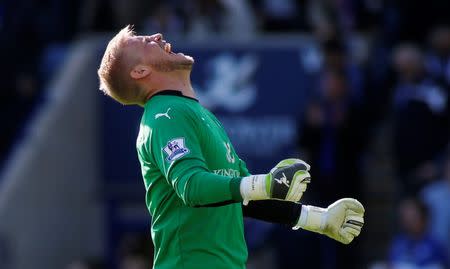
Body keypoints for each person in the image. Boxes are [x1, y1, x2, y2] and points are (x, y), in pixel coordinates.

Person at [97, 25, 365, 269]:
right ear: (140, 72)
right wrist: (266, 184)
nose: (156, 36)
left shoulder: (194, 113)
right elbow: (192, 186)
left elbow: (243, 199)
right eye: (145, 42)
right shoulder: (164, 115)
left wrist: (320, 219)